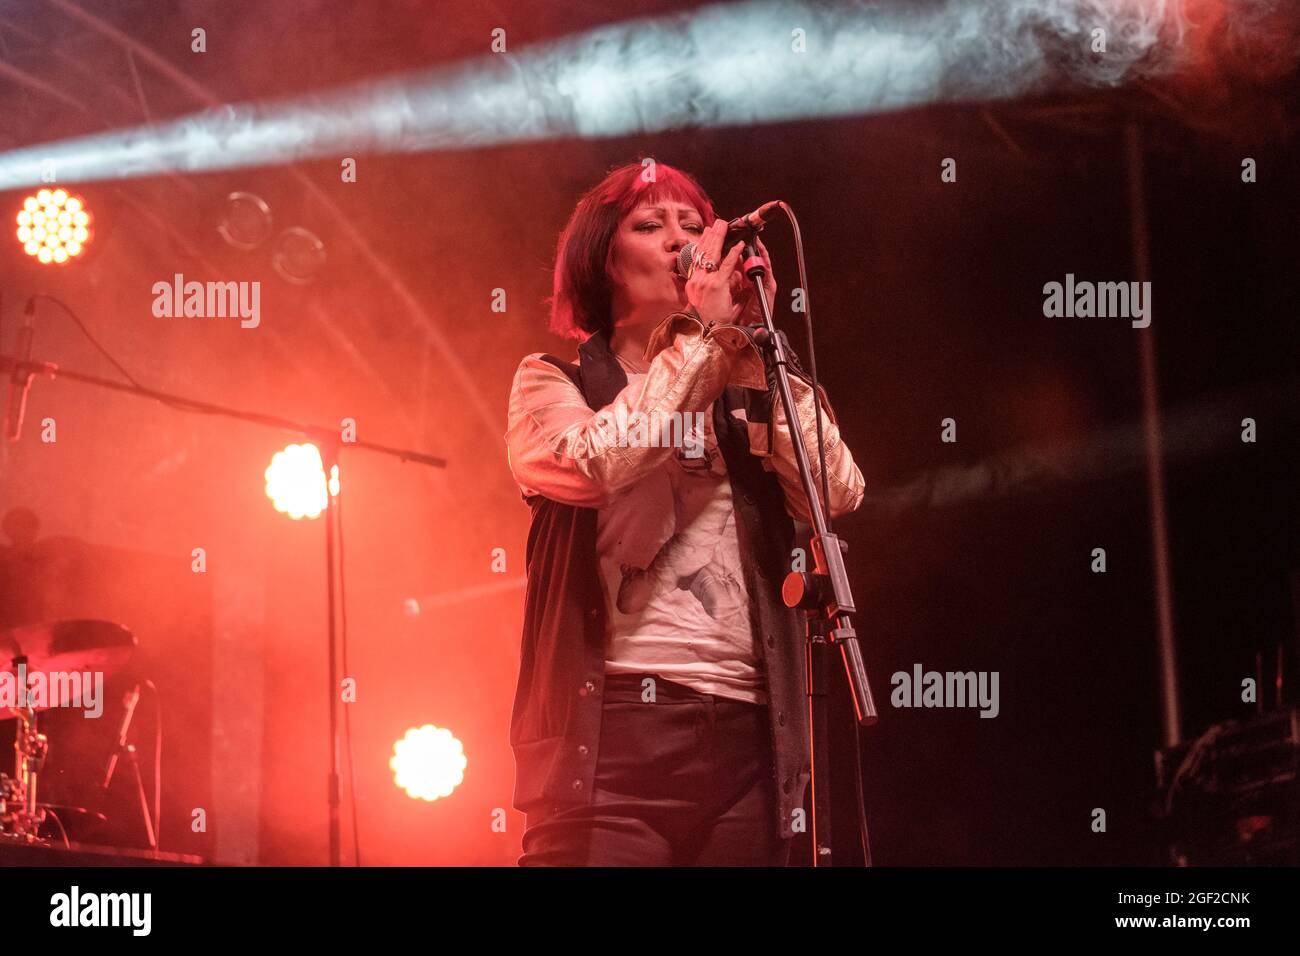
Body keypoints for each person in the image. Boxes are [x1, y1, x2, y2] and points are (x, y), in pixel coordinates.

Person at [503, 160, 864, 866]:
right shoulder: (549, 382)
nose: (681, 241)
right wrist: (702, 338)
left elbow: (836, 492)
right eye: (650, 225)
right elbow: (597, 462)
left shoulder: (745, 383)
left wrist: (754, 347)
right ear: (603, 262)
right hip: (608, 741)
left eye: (694, 226)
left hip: (751, 738)